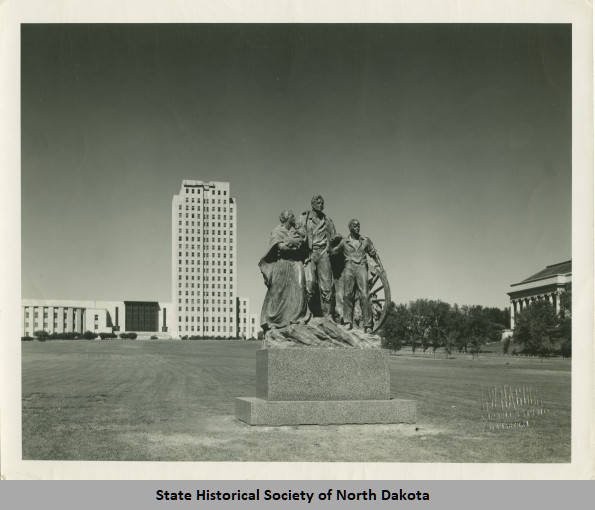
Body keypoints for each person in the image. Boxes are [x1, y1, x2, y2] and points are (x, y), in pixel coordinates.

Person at [259, 210, 310, 331]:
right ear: (286, 218)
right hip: (282, 263)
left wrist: (293, 242)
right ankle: (273, 320)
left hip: (296, 262)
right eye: (292, 216)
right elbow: (281, 247)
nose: (294, 218)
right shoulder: (277, 231)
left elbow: (302, 243)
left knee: (300, 287)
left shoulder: (295, 231)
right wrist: (292, 242)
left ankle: (297, 318)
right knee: (277, 292)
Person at [332, 219, 381, 332]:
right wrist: (330, 243)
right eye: (354, 226)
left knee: (365, 294)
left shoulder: (365, 240)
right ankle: (347, 322)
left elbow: (374, 254)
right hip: (348, 267)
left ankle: (368, 325)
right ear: (350, 228)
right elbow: (333, 252)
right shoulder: (344, 242)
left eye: (358, 225)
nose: (357, 227)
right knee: (348, 294)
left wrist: (380, 268)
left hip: (362, 267)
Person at [297, 195, 340, 318]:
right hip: (310, 254)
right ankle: (305, 314)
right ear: (313, 204)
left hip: (324, 254)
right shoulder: (304, 218)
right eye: (318, 203)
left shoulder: (328, 221)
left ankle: (327, 315)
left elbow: (333, 237)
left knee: (326, 286)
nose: (321, 205)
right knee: (309, 285)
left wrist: (336, 240)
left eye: (322, 203)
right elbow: (298, 233)